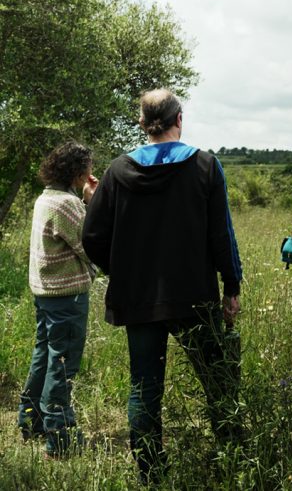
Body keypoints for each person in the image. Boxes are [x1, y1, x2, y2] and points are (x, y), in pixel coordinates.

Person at [82, 89, 243, 483]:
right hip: (195, 296)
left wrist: (121, 270)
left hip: (137, 298)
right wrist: (231, 285)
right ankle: (233, 461)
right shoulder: (205, 165)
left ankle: (151, 474)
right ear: (179, 119)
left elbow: (92, 236)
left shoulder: (117, 171)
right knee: (218, 381)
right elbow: (221, 234)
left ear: (142, 124)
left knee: (144, 386)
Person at [18, 142, 98, 458]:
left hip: (46, 293)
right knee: (62, 366)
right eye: (89, 169)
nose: (91, 173)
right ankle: (59, 438)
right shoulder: (67, 204)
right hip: (66, 297)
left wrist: (85, 200)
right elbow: (90, 245)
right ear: (78, 173)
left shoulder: (46, 197)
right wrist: (92, 203)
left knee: (44, 357)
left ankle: (30, 422)